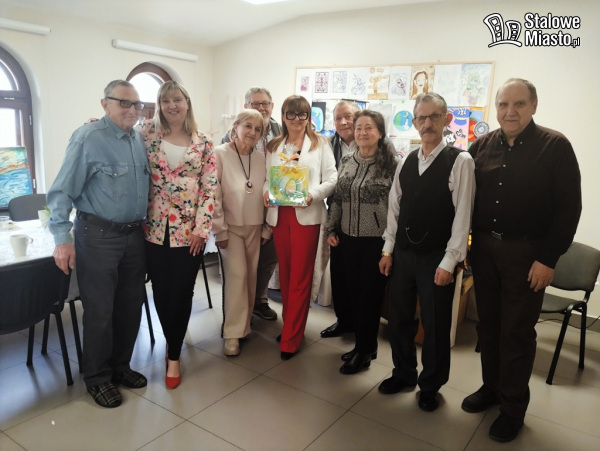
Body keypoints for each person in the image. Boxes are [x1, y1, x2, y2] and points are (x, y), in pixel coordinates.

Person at [462, 78, 581, 442]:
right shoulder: (480, 146)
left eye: (518, 104)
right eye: (503, 104)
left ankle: (513, 408)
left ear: (533, 106)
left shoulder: (555, 146)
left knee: (516, 333)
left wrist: (548, 259)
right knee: (488, 326)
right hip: (484, 250)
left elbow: (569, 209)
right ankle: (491, 388)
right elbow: (467, 200)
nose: (510, 112)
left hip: (528, 256)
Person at [47, 80, 150, 408]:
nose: (132, 110)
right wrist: (62, 239)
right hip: (98, 236)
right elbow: (61, 191)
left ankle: (121, 366)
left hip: (134, 236)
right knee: (100, 311)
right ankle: (97, 377)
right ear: (105, 104)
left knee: (130, 306)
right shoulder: (88, 138)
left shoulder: (138, 139)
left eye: (137, 104)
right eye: (124, 103)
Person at [378, 93, 475, 413]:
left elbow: (463, 216)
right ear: (414, 122)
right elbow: (395, 208)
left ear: (447, 119)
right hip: (403, 254)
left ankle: (431, 384)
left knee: (434, 325)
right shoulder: (407, 160)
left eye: (434, 116)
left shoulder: (460, 161)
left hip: (437, 257)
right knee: (399, 319)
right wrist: (388, 249)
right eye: (421, 117)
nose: (427, 123)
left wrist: (450, 261)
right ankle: (404, 373)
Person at [141, 81, 216, 390]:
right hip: (154, 229)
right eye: (165, 100)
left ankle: (173, 355)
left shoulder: (204, 142)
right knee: (161, 290)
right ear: (159, 105)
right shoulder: (146, 135)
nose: (172, 105)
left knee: (183, 291)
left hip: (190, 232)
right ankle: (173, 340)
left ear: (187, 103)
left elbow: (209, 188)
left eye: (177, 99)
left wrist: (202, 229)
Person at [325, 109, 399, 374]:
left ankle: (365, 351)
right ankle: (363, 346)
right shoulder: (347, 160)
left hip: (375, 241)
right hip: (347, 238)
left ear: (380, 132)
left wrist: (390, 247)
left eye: (369, 128)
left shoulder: (392, 164)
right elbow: (338, 198)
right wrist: (331, 228)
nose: (362, 132)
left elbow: (397, 207)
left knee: (369, 298)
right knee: (353, 293)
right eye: (358, 128)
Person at [264, 95, 337, 360]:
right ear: (283, 116)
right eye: (291, 114)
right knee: (285, 275)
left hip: (306, 215)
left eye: (302, 114)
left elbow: (332, 178)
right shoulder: (274, 145)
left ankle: (291, 337)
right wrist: (265, 192)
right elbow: (267, 179)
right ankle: (291, 326)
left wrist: (313, 195)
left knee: (300, 277)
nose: (296, 119)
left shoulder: (320, 144)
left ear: (308, 117)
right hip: (280, 215)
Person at [222, 87, 281, 321]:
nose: (261, 108)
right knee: (239, 270)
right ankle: (237, 316)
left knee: (267, 260)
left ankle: (259, 300)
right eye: (255, 104)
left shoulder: (281, 132)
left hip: (271, 206)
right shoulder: (228, 139)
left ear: (272, 106)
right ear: (246, 106)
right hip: (238, 212)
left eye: (265, 103)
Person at [213, 109, 268, 356]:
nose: (252, 132)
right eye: (247, 126)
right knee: (237, 277)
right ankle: (232, 333)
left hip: (255, 226)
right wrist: (219, 230)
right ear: (235, 126)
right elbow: (213, 195)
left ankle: (244, 325)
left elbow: (268, 193)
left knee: (251, 278)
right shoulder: (220, 154)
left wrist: (267, 227)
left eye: (258, 129)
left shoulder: (261, 157)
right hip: (230, 227)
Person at [320, 100, 361, 339]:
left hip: (366, 221)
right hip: (337, 215)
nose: (343, 122)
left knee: (361, 276)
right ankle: (343, 320)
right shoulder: (328, 145)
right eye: (338, 118)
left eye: (349, 117)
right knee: (339, 271)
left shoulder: (376, 143)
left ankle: (361, 324)